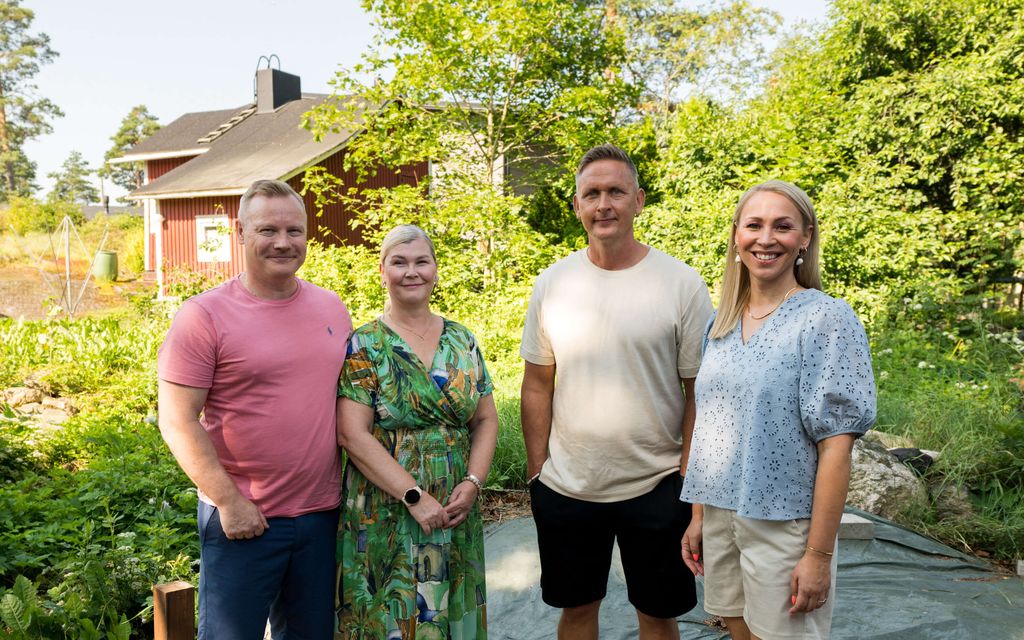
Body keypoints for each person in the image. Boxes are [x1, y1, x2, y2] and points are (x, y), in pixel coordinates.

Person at [520, 143, 713, 640]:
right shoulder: (553, 284)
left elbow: (700, 393)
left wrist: (688, 480)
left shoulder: (681, 284)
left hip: (657, 483)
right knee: (577, 610)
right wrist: (537, 472)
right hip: (567, 487)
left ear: (639, 200)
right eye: (592, 194)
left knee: (658, 614)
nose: (603, 204)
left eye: (616, 192)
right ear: (577, 206)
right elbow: (537, 383)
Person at [680, 180, 877, 640]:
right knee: (736, 628)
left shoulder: (825, 318)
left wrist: (818, 556)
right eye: (754, 225)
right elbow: (710, 425)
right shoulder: (720, 323)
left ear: (805, 237)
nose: (765, 239)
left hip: (784, 521)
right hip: (721, 515)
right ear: (736, 235)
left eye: (782, 227)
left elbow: (836, 447)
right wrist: (699, 515)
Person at [158, 179, 352, 639]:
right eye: (268, 230)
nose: (283, 242)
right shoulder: (202, 316)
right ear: (241, 232)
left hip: (321, 516)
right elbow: (177, 420)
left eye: (294, 231)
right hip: (245, 520)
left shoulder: (331, 308)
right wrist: (229, 501)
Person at [335, 224, 498, 639]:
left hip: (454, 508)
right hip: (386, 510)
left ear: (435, 270)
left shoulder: (462, 340)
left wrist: (473, 482)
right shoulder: (365, 344)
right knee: (392, 615)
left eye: (422, 262)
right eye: (399, 262)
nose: (412, 272)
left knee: (450, 613)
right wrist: (413, 495)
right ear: (382, 271)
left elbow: (485, 420)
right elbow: (352, 435)